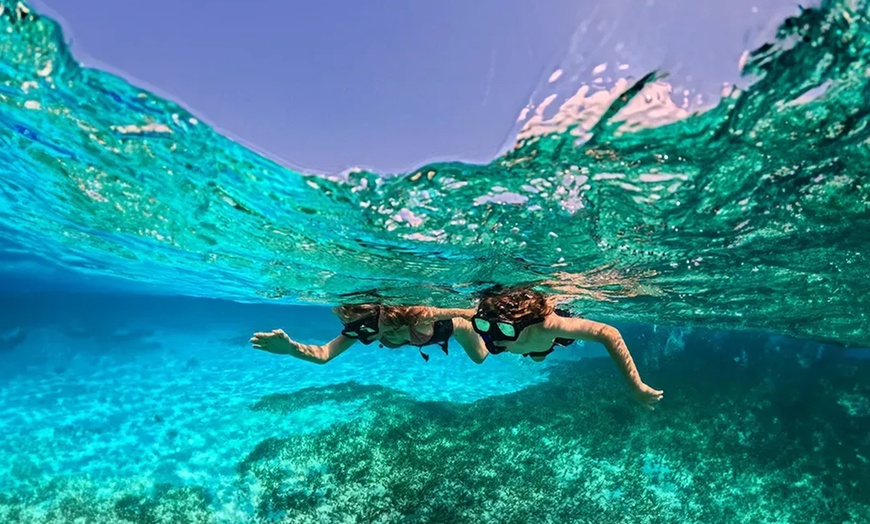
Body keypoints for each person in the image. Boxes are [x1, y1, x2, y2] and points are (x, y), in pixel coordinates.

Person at [471, 286, 663, 409]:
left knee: (539, 355)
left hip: (545, 341)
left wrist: (635, 385)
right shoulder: (491, 320)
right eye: (484, 326)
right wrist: (440, 313)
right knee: (536, 357)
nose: (494, 339)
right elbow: (465, 314)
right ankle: (535, 351)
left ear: (521, 325)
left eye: (504, 330)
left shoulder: (546, 326)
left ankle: (545, 348)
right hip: (532, 346)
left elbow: (608, 333)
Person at [251, 304, 488, 364]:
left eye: (366, 325)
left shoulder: (415, 314)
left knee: (481, 357)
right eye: (354, 328)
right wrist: (291, 349)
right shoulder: (359, 329)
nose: (362, 333)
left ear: (382, 316)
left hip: (451, 327)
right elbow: (324, 354)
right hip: (420, 339)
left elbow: (468, 312)